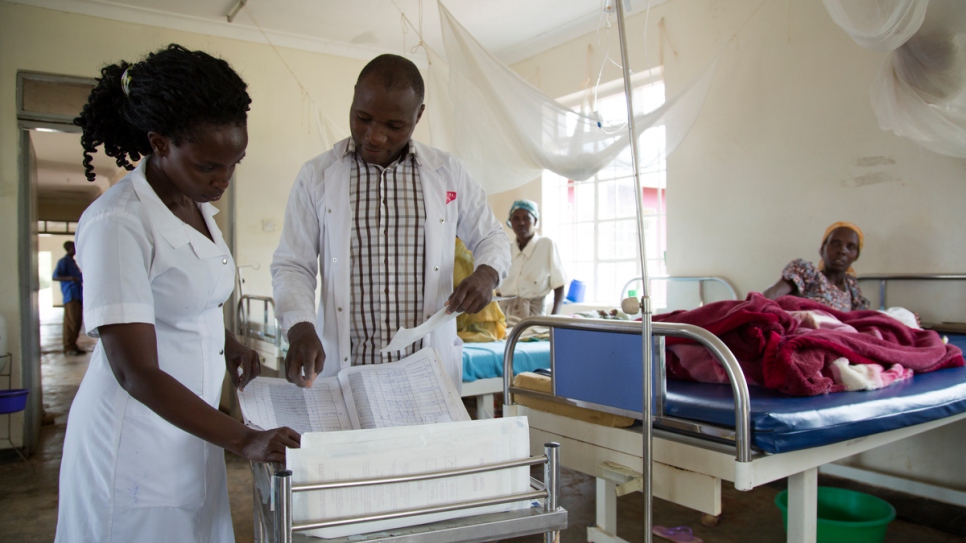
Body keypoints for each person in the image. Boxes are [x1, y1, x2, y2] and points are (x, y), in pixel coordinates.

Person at [56, 44, 300, 543]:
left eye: (235, 164)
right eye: (210, 165)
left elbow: (188, 298)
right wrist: (244, 438)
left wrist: (229, 343)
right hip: (136, 444)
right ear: (159, 142)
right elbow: (134, 371)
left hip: (191, 431)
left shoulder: (193, 203)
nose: (223, 180)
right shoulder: (119, 221)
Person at [271, 54, 510, 390]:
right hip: (347, 372)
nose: (374, 136)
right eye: (362, 118)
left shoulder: (447, 173)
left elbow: (492, 236)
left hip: (426, 375)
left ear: (418, 115)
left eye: (394, 126)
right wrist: (300, 326)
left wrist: (487, 273)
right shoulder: (317, 176)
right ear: (354, 98)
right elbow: (293, 265)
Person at [762, 221, 871, 312]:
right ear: (822, 249)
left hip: (839, 336)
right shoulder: (806, 273)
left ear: (856, 255)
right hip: (807, 334)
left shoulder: (852, 288)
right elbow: (770, 296)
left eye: (850, 247)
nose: (842, 250)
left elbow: (861, 321)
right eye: (835, 243)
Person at [496, 200, 567, 323]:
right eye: (516, 219)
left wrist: (553, 320)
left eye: (526, 218)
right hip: (504, 318)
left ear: (535, 220)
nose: (521, 223)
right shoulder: (506, 249)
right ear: (510, 222)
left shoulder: (546, 245)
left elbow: (559, 284)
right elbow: (497, 291)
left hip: (534, 320)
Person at [52, 241, 84, 355]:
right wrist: (71, 278)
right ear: (69, 248)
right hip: (71, 295)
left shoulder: (73, 262)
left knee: (77, 322)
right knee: (71, 322)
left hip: (78, 295)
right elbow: (55, 277)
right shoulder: (63, 261)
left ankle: (73, 345)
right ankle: (68, 347)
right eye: (73, 247)